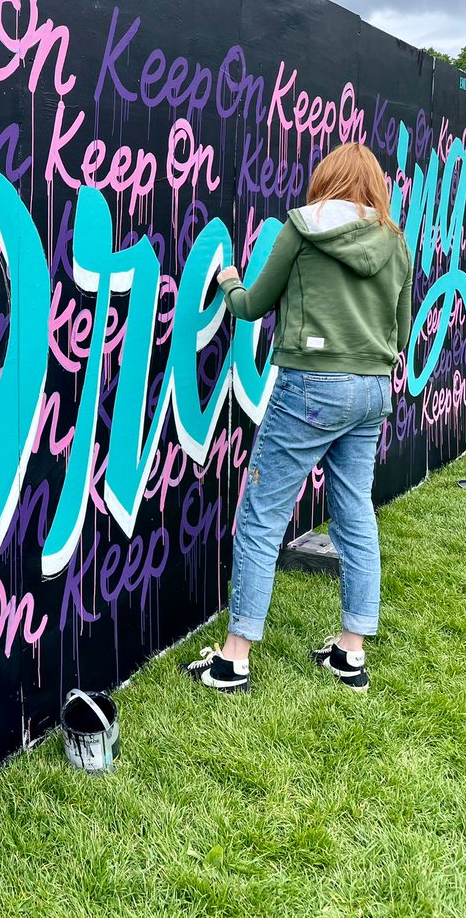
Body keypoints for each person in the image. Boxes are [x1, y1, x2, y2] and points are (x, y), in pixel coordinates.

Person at [184, 143, 412, 694]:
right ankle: (350, 653)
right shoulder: (396, 241)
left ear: (325, 179)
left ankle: (233, 659)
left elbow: (251, 306)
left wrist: (228, 280)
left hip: (310, 386)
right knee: (355, 512)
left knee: (263, 514)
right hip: (372, 389)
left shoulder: (302, 229)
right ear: (376, 187)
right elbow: (401, 333)